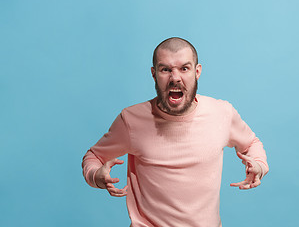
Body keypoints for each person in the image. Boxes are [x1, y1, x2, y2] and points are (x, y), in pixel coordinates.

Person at [82, 37, 269, 227]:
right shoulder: (131, 119)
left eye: (184, 68)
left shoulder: (222, 113)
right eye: (166, 70)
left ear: (197, 72)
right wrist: (96, 176)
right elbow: (94, 156)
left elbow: (252, 144)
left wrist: (259, 166)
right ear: (154, 74)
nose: (175, 78)